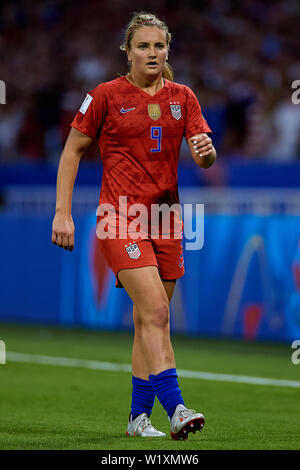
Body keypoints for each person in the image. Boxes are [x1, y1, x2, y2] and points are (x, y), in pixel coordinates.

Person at [51, 12, 216, 440]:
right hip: (119, 218)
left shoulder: (185, 97)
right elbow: (72, 152)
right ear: (127, 51)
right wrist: (62, 212)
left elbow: (204, 158)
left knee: (150, 319)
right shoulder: (105, 95)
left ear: (168, 50)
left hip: (165, 220)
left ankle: (137, 419)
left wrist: (206, 151)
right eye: (142, 46)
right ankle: (176, 407)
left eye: (159, 46)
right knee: (158, 311)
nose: (152, 53)